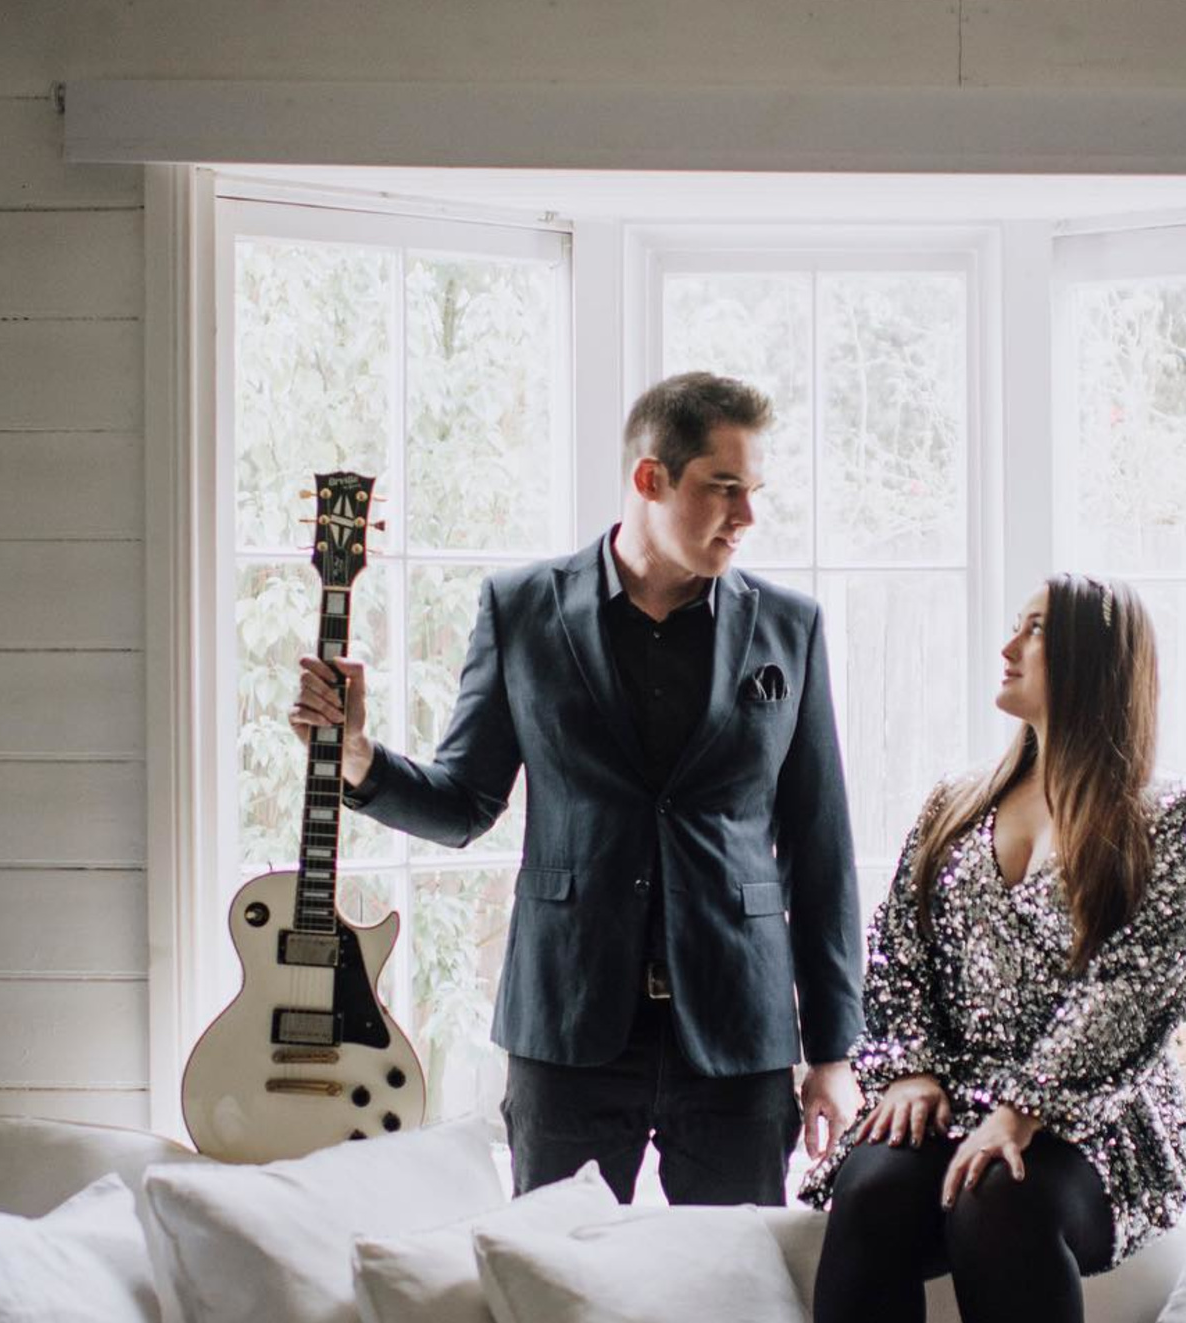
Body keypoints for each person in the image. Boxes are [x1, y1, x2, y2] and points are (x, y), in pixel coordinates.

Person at [290, 372, 864, 1207]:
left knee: (732, 1299)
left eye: (754, 492)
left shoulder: (790, 627)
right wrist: (358, 761)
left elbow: (820, 850)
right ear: (650, 479)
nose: (746, 518)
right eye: (724, 489)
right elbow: (463, 806)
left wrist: (834, 1052)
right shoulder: (521, 609)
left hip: (737, 1034)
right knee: (557, 1286)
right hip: (567, 1024)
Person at [793, 572, 1186, 1323]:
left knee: (996, 1196)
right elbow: (891, 958)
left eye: (1032, 631)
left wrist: (1023, 1107)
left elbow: (1135, 987)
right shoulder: (952, 804)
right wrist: (909, 1071)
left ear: (1090, 657)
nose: (1006, 646)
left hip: (1095, 1118)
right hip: (947, 1089)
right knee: (876, 1185)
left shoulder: (1175, 819)